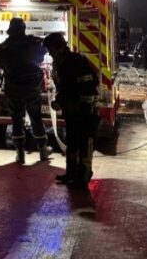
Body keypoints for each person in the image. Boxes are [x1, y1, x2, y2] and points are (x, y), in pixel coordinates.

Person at [44, 32, 99, 187]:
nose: (49, 53)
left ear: (60, 48)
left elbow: (87, 84)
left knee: (84, 142)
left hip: (84, 109)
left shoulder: (76, 61)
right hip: (71, 109)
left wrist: (81, 106)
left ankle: (83, 176)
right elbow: (65, 87)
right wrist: (60, 101)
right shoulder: (59, 63)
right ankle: (71, 173)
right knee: (72, 141)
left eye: (51, 49)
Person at [0, 18, 50, 164]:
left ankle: (20, 153)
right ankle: (43, 150)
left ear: (11, 29)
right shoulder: (33, 42)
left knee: (17, 119)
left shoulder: (5, 46)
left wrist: (8, 65)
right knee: (36, 116)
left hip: (14, 87)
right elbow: (46, 47)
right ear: (23, 28)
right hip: (32, 87)